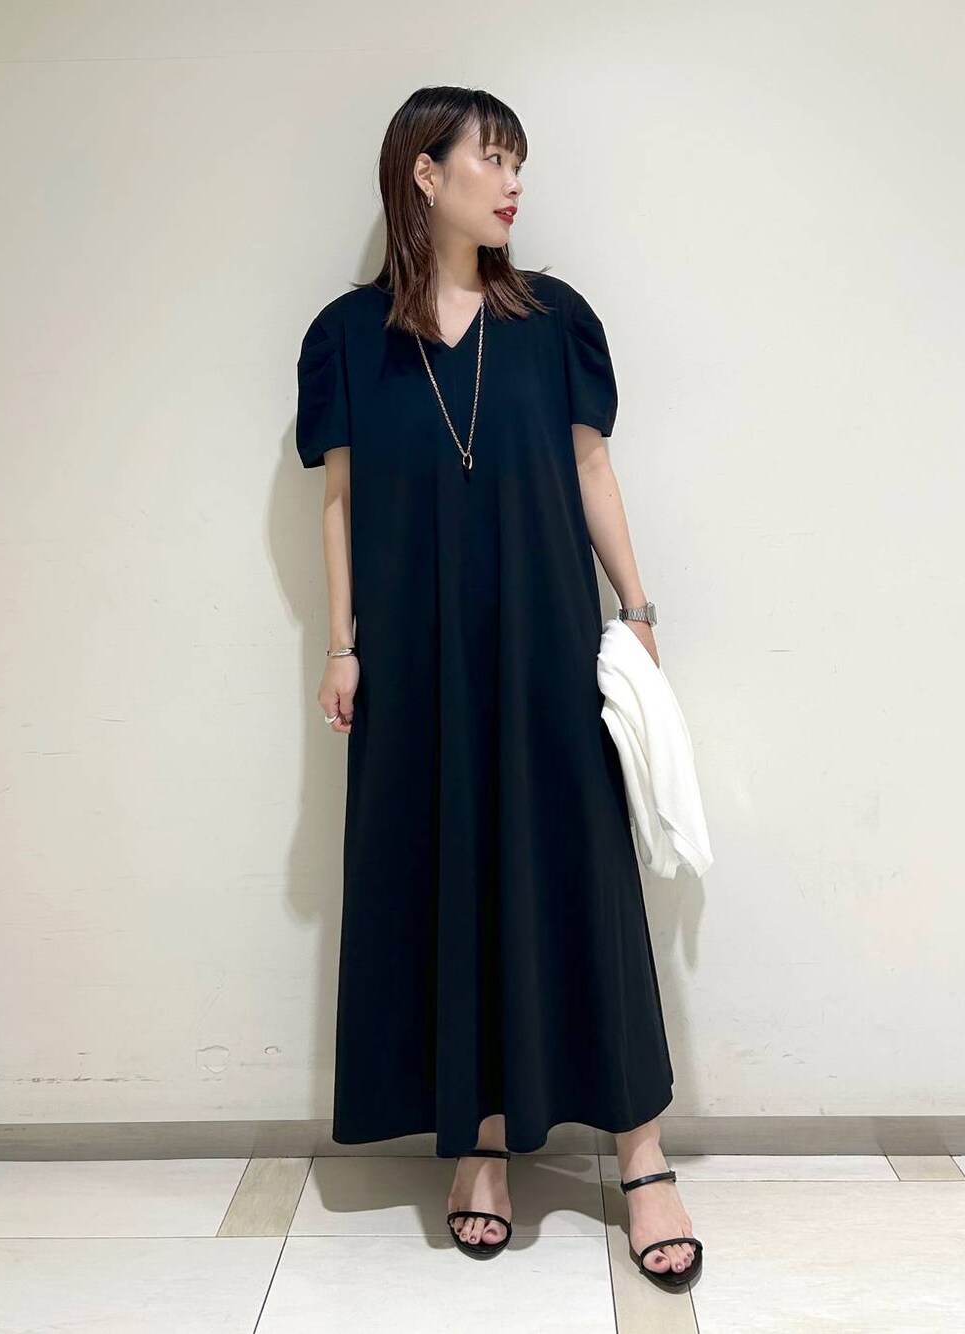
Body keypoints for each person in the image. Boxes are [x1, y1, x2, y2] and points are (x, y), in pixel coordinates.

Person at [295, 85, 702, 1291]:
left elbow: (589, 466)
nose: (514, 182)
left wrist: (636, 606)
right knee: (446, 870)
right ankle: (478, 1138)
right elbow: (340, 500)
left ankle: (640, 1152)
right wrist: (342, 643)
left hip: (544, 640)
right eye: (493, 158)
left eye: (519, 162)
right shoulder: (347, 336)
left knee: (584, 872)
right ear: (425, 173)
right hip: (415, 653)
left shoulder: (553, 318)